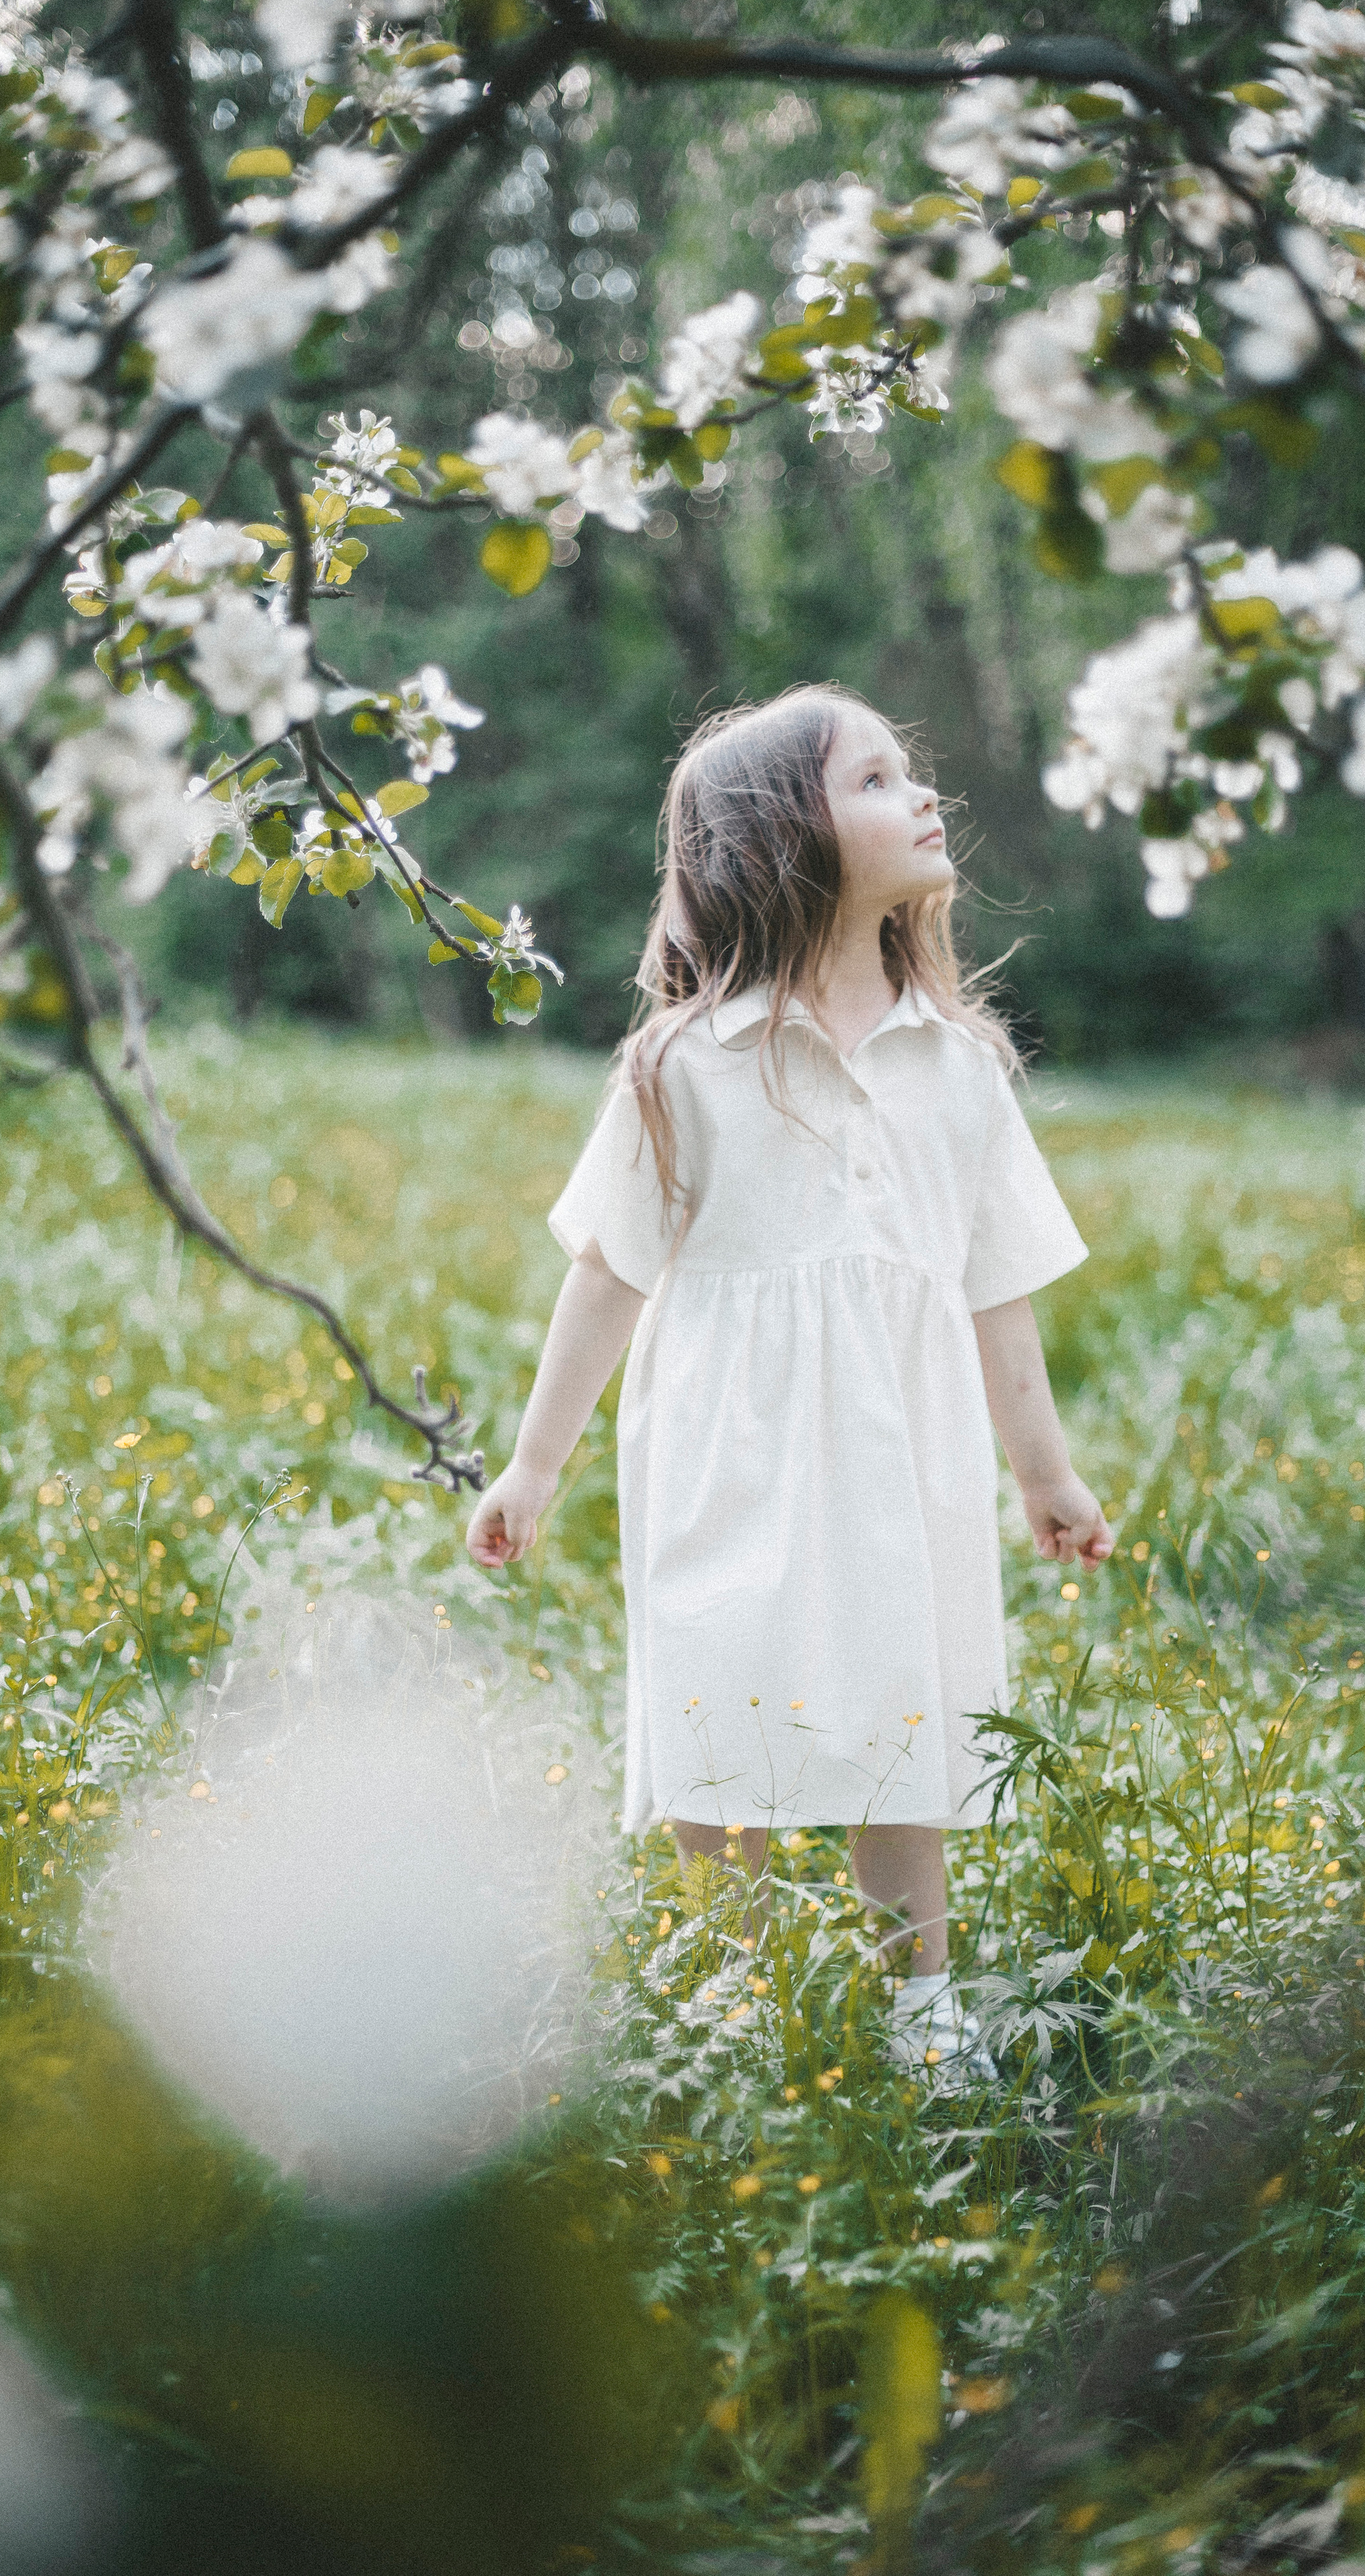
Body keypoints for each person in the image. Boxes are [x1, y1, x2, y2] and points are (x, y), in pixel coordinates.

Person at [465, 683, 1113, 2074]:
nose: (923, 796)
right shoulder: (683, 1069)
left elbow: (993, 1287)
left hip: (905, 1447)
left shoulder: (959, 1067)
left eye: (909, 772)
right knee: (721, 1687)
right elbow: (606, 1278)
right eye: (877, 779)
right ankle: (730, 1999)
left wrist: (1042, 1472)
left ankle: (917, 2003)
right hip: (727, 1448)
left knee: (903, 1697)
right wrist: (531, 1465)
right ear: (782, 841)